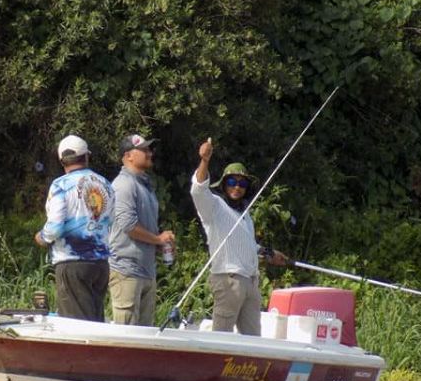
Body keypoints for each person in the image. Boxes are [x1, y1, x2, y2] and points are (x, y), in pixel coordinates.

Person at [190, 138, 287, 335]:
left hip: (251, 282)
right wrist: (205, 160)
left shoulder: (246, 214)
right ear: (224, 184)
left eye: (242, 183)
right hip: (229, 279)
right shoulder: (214, 206)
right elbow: (198, 190)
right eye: (232, 182)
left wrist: (268, 253)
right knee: (222, 336)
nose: (237, 187)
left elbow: (247, 244)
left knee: (252, 340)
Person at [35, 134, 115, 322]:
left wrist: (42, 237)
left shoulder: (60, 185)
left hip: (71, 263)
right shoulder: (105, 183)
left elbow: (55, 227)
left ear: (62, 160)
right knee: (96, 322)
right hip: (101, 263)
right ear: (86, 156)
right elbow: (110, 219)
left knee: (77, 326)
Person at [108, 134, 176, 326]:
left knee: (144, 333)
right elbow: (128, 225)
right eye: (144, 150)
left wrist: (160, 244)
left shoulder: (144, 186)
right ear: (128, 155)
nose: (149, 153)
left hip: (146, 270)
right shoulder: (123, 184)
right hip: (126, 269)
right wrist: (158, 239)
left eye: (150, 149)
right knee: (126, 335)